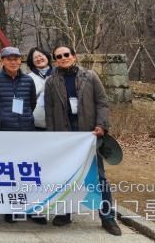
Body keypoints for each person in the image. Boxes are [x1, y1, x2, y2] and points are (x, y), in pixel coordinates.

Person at [45, 45, 121, 236]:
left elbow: (102, 102)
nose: (63, 58)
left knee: (98, 176)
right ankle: (64, 213)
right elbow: (49, 110)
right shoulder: (51, 81)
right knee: (65, 176)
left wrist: (101, 125)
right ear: (55, 60)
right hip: (64, 135)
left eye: (66, 54)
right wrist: (51, 136)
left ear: (74, 56)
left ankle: (108, 217)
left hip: (88, 134)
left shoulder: (90, 76)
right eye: (59, 56)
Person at [0, 47, 43, 224]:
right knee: (10, 172)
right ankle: (13, 208)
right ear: (2, 61)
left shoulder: (27, 80)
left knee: (29, 172)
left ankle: (33, 208)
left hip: (26, 131)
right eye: (9, 59)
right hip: (5, 132)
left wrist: (25, 118)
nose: (13, 62)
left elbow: (31, 103)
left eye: (16, 59)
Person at [26, 47, 53, 130]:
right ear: (32, 61)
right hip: (36, 123)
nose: (39, 59)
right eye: (35, 57)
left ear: (47, 56)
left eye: (41, 55)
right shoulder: (27, 78)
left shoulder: (59, 75)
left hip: (58, 122)